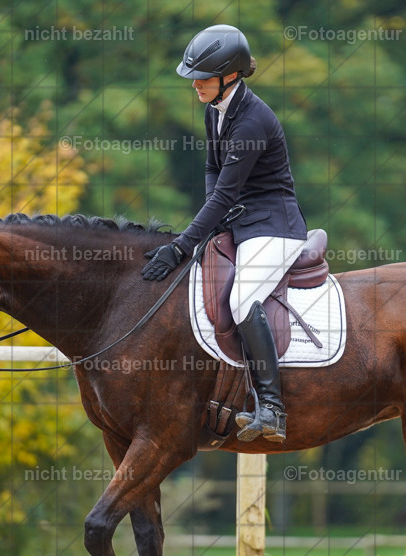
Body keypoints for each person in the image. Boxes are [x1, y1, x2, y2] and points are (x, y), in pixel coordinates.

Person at [142, 25, 308, 444]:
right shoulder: (214, 107)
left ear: (229, 76)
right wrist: (210, 225)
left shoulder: (253, 121)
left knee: (241, 298)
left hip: (274, 225)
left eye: (202, 77)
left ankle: (272, 408)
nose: (194, 84)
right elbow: (213, 172)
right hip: (240, 220)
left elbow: (226, 192)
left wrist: (182, 244)